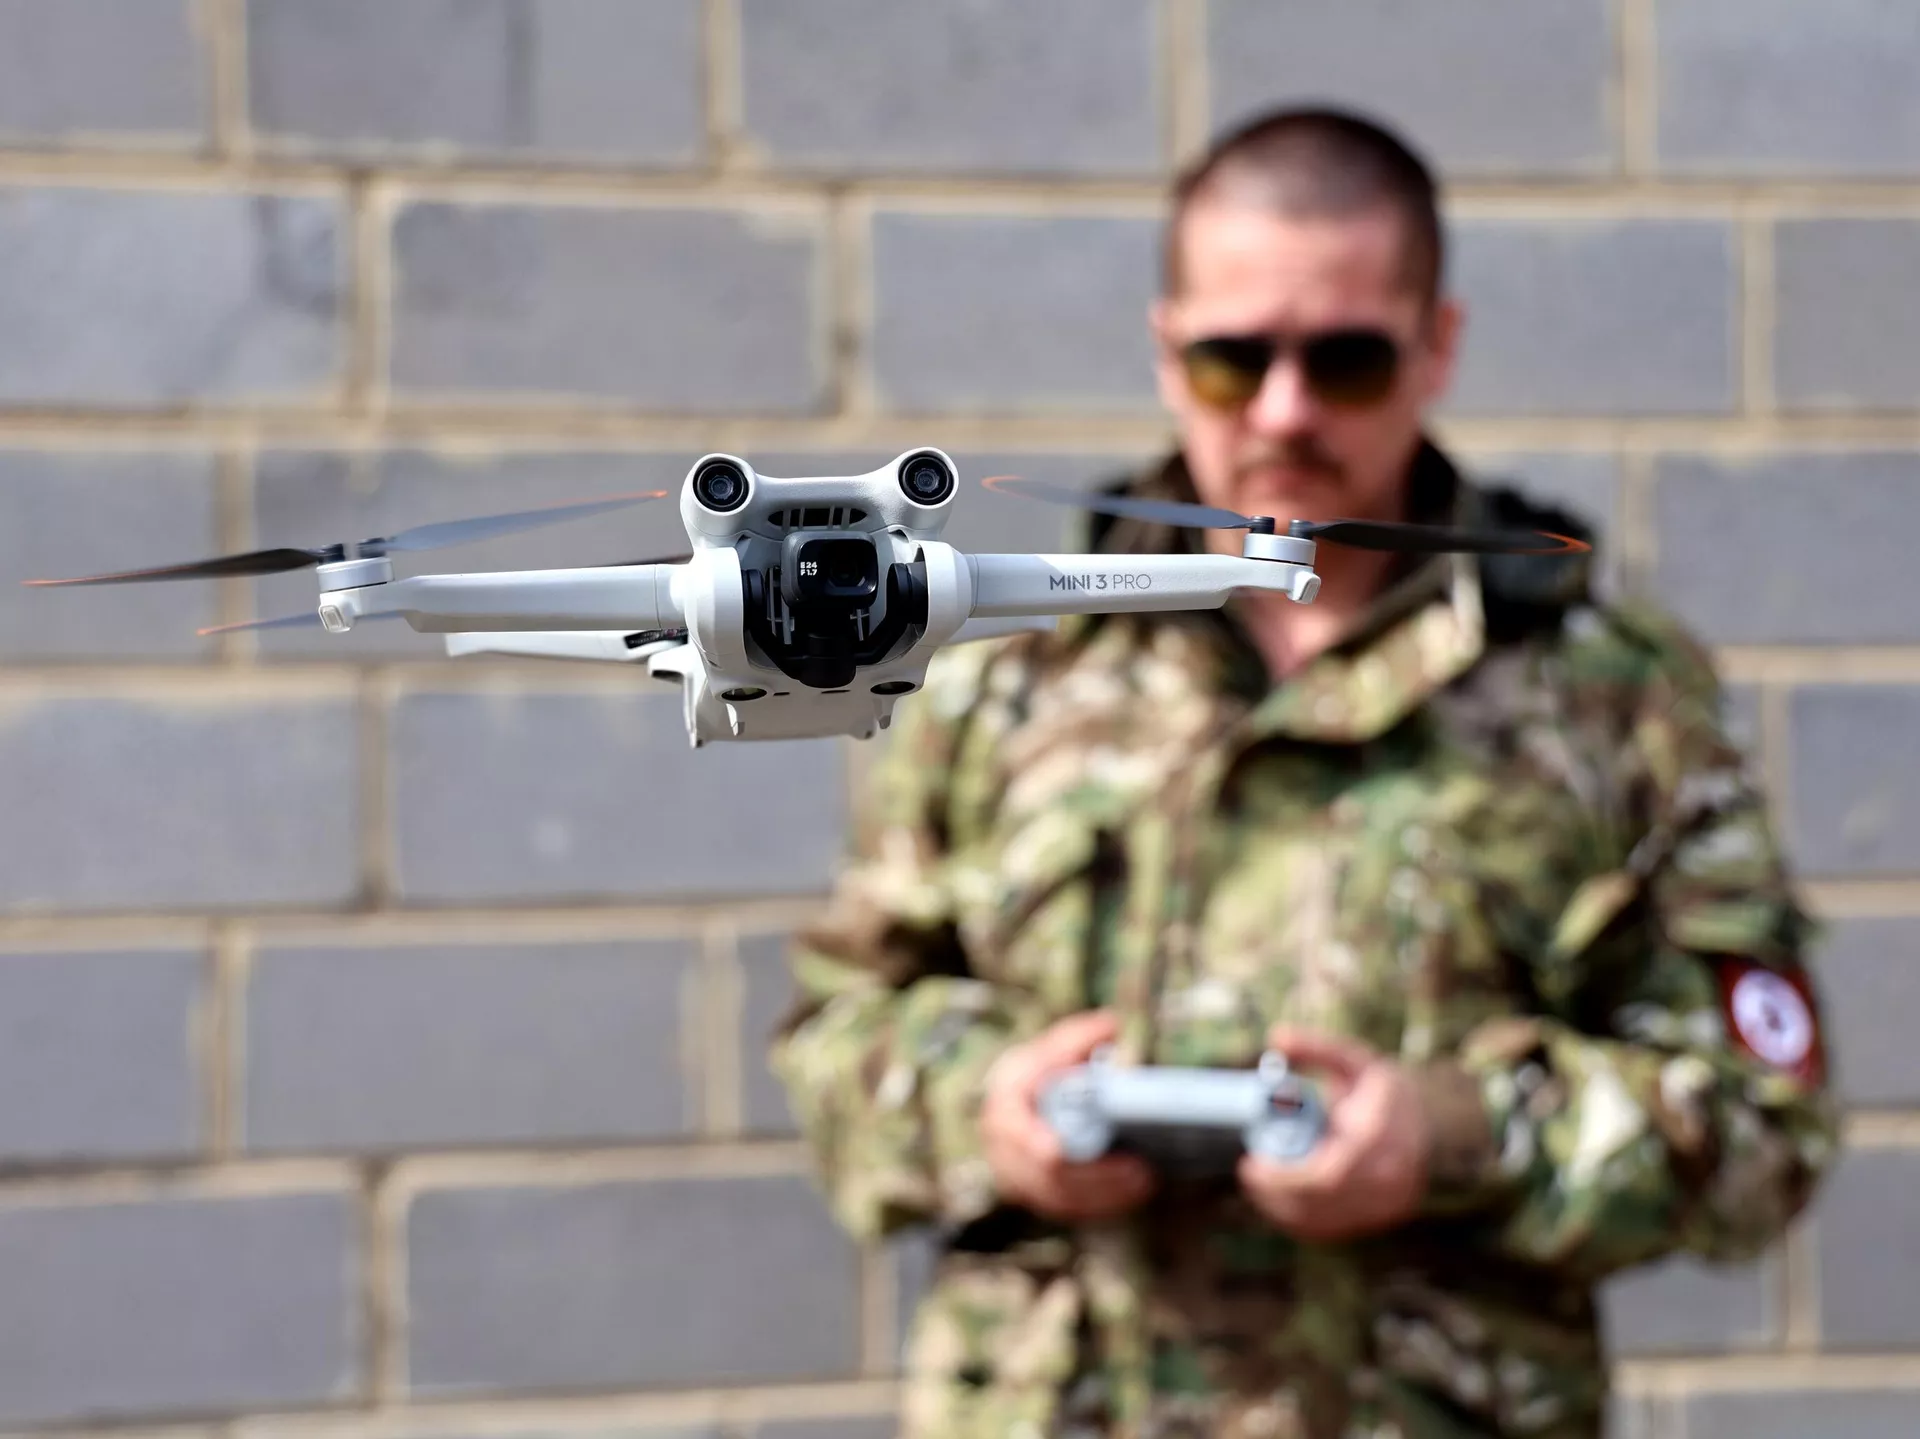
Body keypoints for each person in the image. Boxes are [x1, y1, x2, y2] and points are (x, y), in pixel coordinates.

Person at [768, 105, 1839, 1439]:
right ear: (1168, 351)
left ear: (1436, 345)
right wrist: (988, 1111)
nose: (1285, 411)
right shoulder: (1008, 666)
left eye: (1346, 360)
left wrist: (1453, 1138)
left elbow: (1760, 1126)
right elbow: (841, 1031)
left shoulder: (1612, 696)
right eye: (1233, 361)